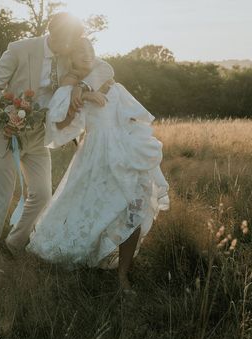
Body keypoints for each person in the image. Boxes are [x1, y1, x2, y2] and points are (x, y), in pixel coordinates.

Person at [26, 38, 170, 293]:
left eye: (90, 49)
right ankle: (83, 260)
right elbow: (58, 125)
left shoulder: (106, 76)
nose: (87, 54)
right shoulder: (67, 88)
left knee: (134, 208)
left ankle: (123, 275)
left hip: (126, 151)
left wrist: (84, 88)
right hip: (97, 154)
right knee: (94, 210)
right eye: (80, 51)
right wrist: (78, 99)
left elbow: (129, 107)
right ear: (70, 57)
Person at [0, 12, 109, 265]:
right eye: (66, 42)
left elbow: (105, 68)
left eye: (73, 42)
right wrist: (7, 114)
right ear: (52, 34)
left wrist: (82, 87)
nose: (69, 48)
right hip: (6, 134)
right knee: (0, 197)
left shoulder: (70, 53)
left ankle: (14, 245)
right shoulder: (19, 49)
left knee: (42, 194)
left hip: (39, 137)